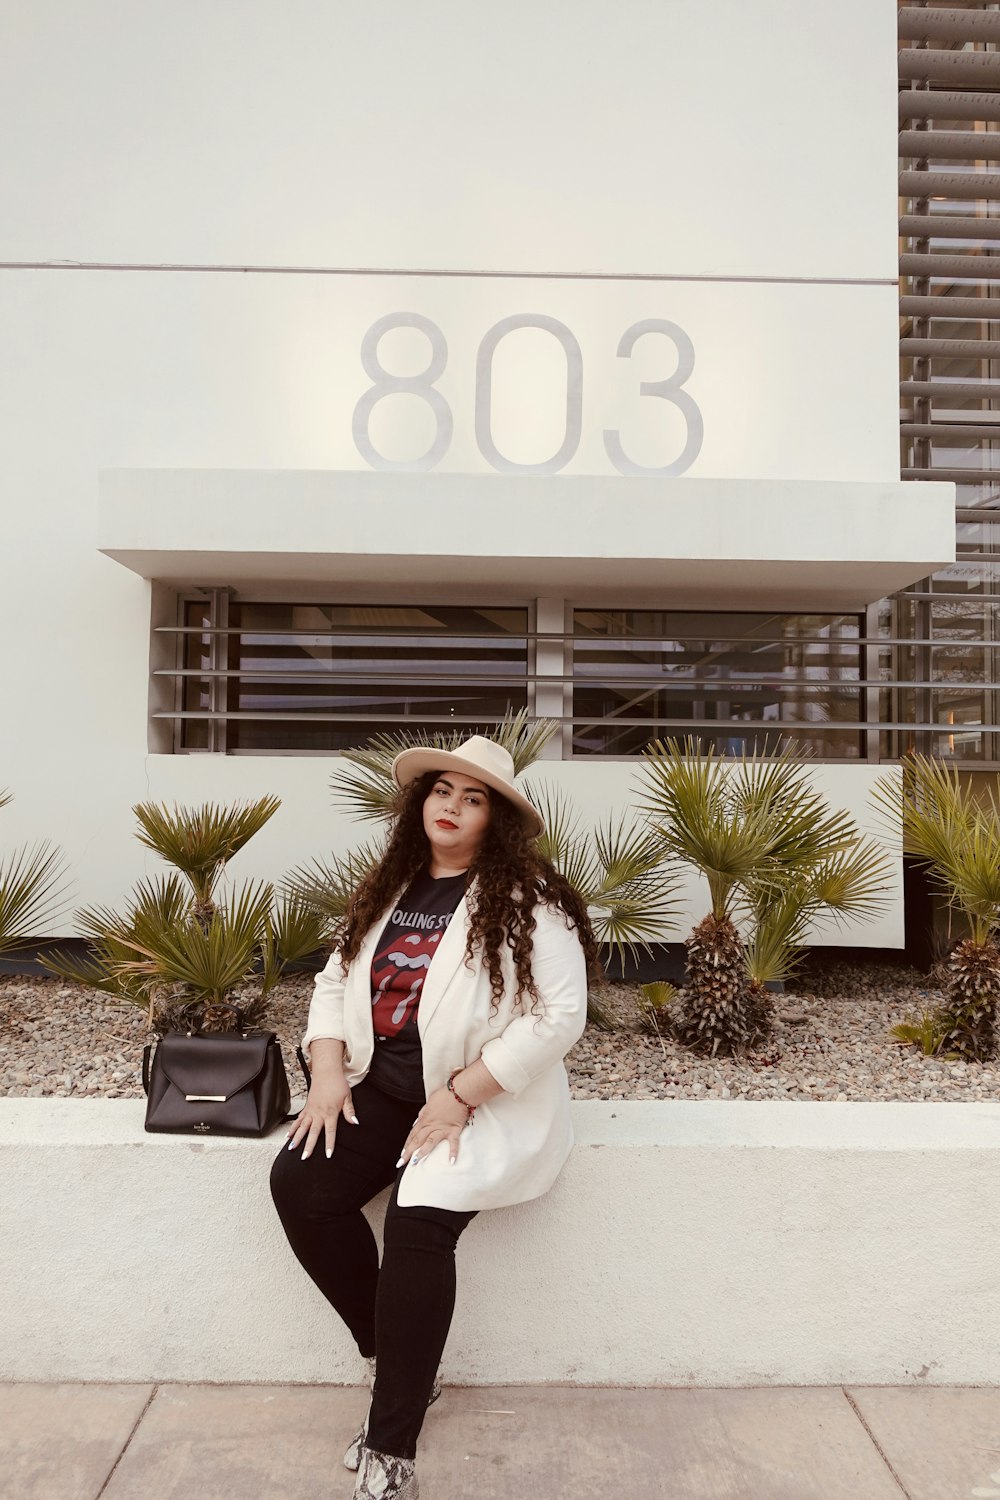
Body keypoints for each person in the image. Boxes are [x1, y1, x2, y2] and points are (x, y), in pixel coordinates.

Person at [270, 734, 596, 1500]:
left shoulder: (528, 901)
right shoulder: (390, 886)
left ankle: (393, 1451)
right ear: (421, 802)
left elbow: (560, 1017)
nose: (450, 806)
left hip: (481, 1100)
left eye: (472, 797)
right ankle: (400, 1365)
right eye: (441, 790)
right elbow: (332, 983)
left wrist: (461, 1095)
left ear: (497, 820)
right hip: (382, 1089)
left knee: (418, 1218)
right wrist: (323, 1073)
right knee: (302, 1187)